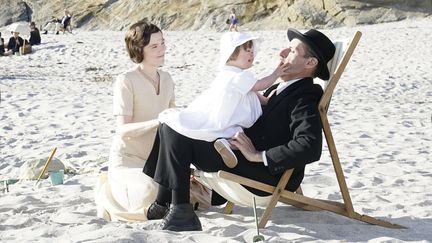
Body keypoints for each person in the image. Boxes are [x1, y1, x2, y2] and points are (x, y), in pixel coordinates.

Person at [143, 28, 336, 231]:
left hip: (261, 173)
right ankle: (167, 204)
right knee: (170, 124)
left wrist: (258, 155)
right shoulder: (279, 90)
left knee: (176, 132)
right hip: (236, 154)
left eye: (292, 51)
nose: (282, 53)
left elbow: (309, 145)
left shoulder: (304, 96)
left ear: (310, 63)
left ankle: (178, 209)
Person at [158, 31, 289, 169]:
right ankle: (228, 145)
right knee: (232, 128)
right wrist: (276, 74)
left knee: (229, 130)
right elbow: (259, 85)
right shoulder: (239, 76)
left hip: (224, 111)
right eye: (247, 51)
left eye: (252, 51)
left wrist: (266, 101)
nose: (252, 54)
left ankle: (226, 144)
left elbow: (252, 92)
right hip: (232, 114)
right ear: (232, 54)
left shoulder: (228, 73)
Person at [94, 21, 176, 222]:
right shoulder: (126, 80)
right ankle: (109, 187)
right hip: (128, 160)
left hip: (157, 161)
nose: (162, 49)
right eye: (154, 46)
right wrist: (158, 122)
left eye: (163, 43)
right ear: (139, 50)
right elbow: (123, 130)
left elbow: (173, 125)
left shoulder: (167, 79)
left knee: (193, 191)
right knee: (151, 194)